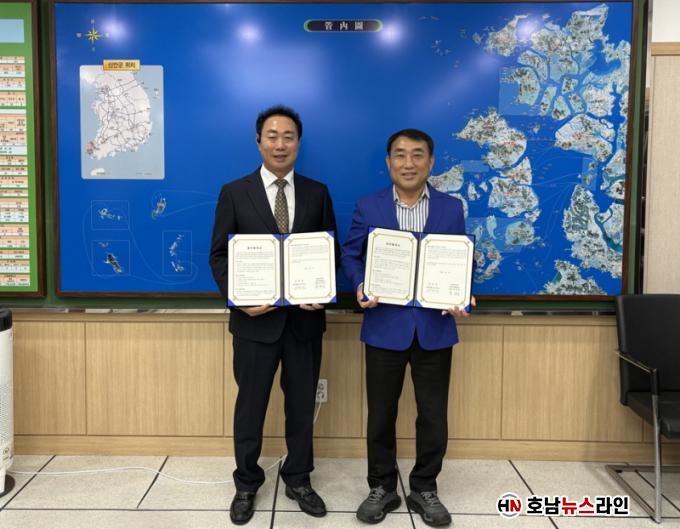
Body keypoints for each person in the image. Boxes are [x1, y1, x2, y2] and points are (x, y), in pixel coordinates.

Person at [209, 105, 338, 525]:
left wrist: (323, 292)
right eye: (272, 136)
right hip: (253, 322)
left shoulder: (318, 192)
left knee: (301, 406)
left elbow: (330, 252)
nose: (280, 144)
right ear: (258, 141)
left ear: (298, 143)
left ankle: (298, 478)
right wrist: (238, 298)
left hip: (304, 322)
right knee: (250, 407)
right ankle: (246, 483)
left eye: (288, 136)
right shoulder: (234, 192)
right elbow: (219, 255)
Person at [342, 129, 474, 527]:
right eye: (400, 155)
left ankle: (424, 487)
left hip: (435, 328)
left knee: (433, 414)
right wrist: (360, 284)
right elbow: (351, 255)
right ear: (389, 162)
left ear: (431, 162)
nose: (409, 163)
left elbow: (461, 259)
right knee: (381, 414)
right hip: (384, 326)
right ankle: (381, 487)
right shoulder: (369, 205)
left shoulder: (451, 208)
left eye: (418, 155)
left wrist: (463, 292)